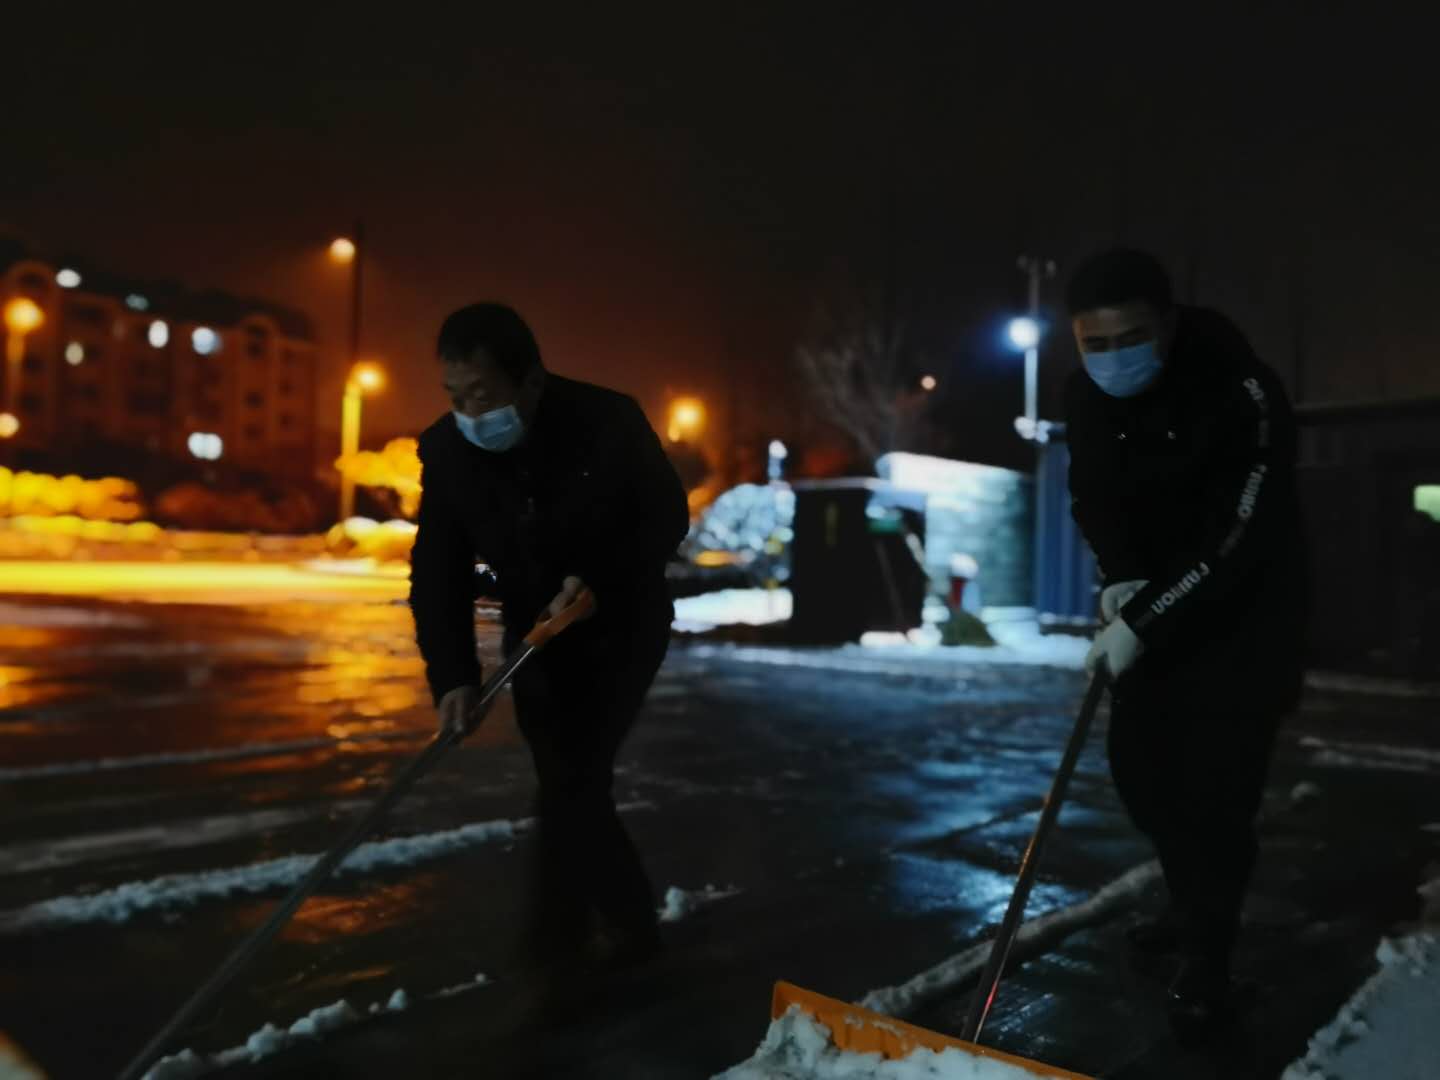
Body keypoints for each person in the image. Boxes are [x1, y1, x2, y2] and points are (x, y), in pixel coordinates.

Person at [1061, 249, 1309, 1032]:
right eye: (1094, 343)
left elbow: (1240, 534)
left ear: (1167, 325)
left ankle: (1209, 964)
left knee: (1214, 801)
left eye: (1129, 338)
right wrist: (1121, 577)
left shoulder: (1242, 389)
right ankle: (1185, 904)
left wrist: (1145, 618)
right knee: (1144, 779)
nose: (1111, 358)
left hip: (1245, 621)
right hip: (1155, 609)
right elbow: (1091, 493)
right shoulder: (1085, 395)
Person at [408, 302, 689, 977]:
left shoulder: (607, 422)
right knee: (567, 779)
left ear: (530, 380)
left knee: (572, 775)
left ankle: (561, 943)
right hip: (535, 633)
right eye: (455, 397)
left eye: (482, 395)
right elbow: (438, 569)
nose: (469, 413)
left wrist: (598, 579)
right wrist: (453, 676)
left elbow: (664, 517)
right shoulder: (447, 452)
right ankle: (616, 928)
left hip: (622, 626)